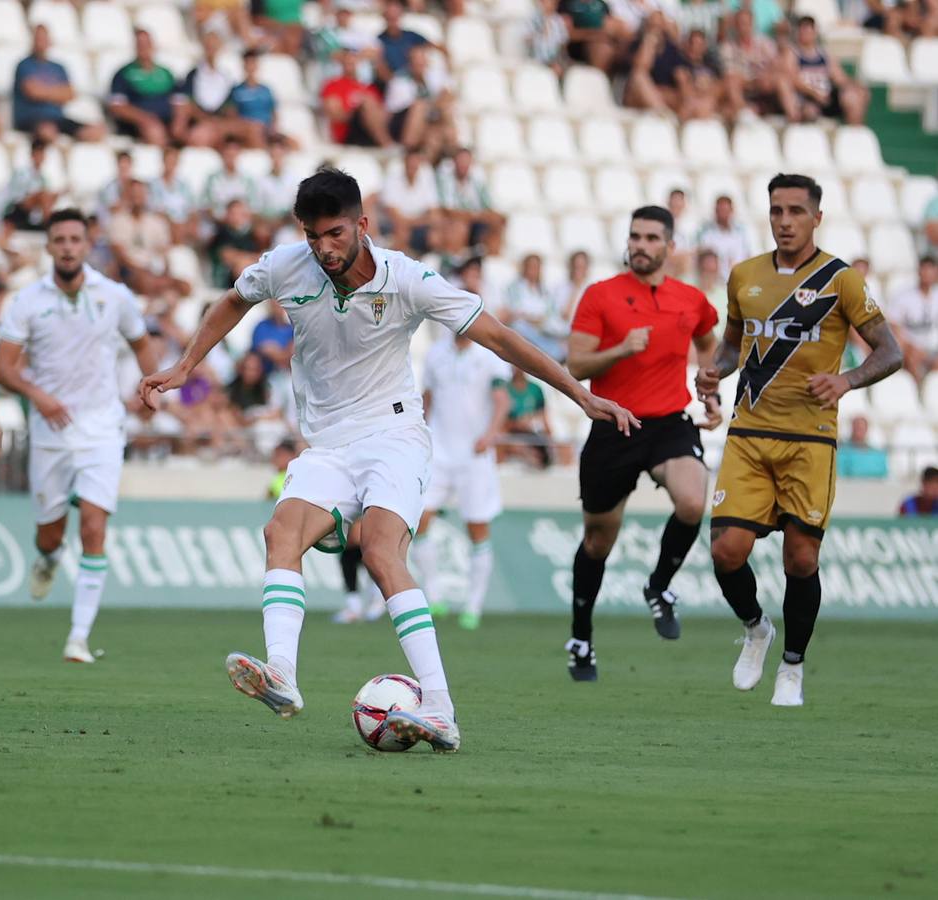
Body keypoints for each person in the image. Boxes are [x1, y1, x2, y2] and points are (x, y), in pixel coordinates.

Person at [138, 167, 637, 752]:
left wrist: (580, 395)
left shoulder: (409, 279)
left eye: (335, 234)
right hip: (327, 442)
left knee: (379, 550)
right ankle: (283, 675)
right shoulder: (284, 266)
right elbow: (231, 301)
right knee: (280, 533)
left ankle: (442, 710)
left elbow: (501, 337)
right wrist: (186, 366)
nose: (323, 248)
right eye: (312, 236)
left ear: (362, 225)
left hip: (394, 435)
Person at [696, 173, 902, 707]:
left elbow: (890, 351)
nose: (785, 221)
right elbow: (733, 346)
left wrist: (848, 380)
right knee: (726, 551)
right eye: (776, 211)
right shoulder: (745, 275)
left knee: (801, 561)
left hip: (810, 441)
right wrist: (712, 371)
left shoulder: (841, 280)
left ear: (817, 217)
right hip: (748, 434)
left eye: (795, 211)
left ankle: (793, 664)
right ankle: (756, 629)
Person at [0, 209, 159, 663]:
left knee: (94, 525)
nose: (67, 246)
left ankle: (78, 637)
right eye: (59, 239)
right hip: (50, 433)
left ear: (87, 245)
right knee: (50, 534)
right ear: (48, 247)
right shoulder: (26, 300)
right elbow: (3, 369)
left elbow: (141, 342)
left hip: (102, 427)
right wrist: (37, 395)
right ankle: (47, 559)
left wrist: (153, 386)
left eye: (75, 239)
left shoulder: (115, 295)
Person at [565, 206, 722, 680]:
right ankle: (581, 638)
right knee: (597, 542)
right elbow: (575, 365)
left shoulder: (690, 299)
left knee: (694, 502)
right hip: (613, 422)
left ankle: (658, 586)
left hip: (669, 422)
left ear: (669, 247)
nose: (641, 245)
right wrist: (619, 349)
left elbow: (710, 342)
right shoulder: (600, 295)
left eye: (652, 238)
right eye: (635, 236)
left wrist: (709, 392)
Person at [411, 331, 511, 630]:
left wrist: (491, 434)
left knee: (477, 527)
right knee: (420, 519)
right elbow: (427, 396)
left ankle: (473, 606)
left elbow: (501, 399)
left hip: (474, 454)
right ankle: (434, 596)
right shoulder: (437, 352)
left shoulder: (488, 355)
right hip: (438, 452)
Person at [888, 255, 938, 384]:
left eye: (930, 270)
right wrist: (910, 346)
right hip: (911, 347)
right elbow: (894, 326)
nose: (927, 274)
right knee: (912, 356)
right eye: (924, 270)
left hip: (932, 347)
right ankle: (919, 392)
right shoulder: (904, 296)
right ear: (919, 271)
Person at [696, 195, 754, 281]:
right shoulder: (707, 234)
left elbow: (748, 256)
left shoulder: (741, 234)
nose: (723, 214)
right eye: (720, 210)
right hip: (715, 281)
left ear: (732, 211)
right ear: (715, 212)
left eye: (726, 210)